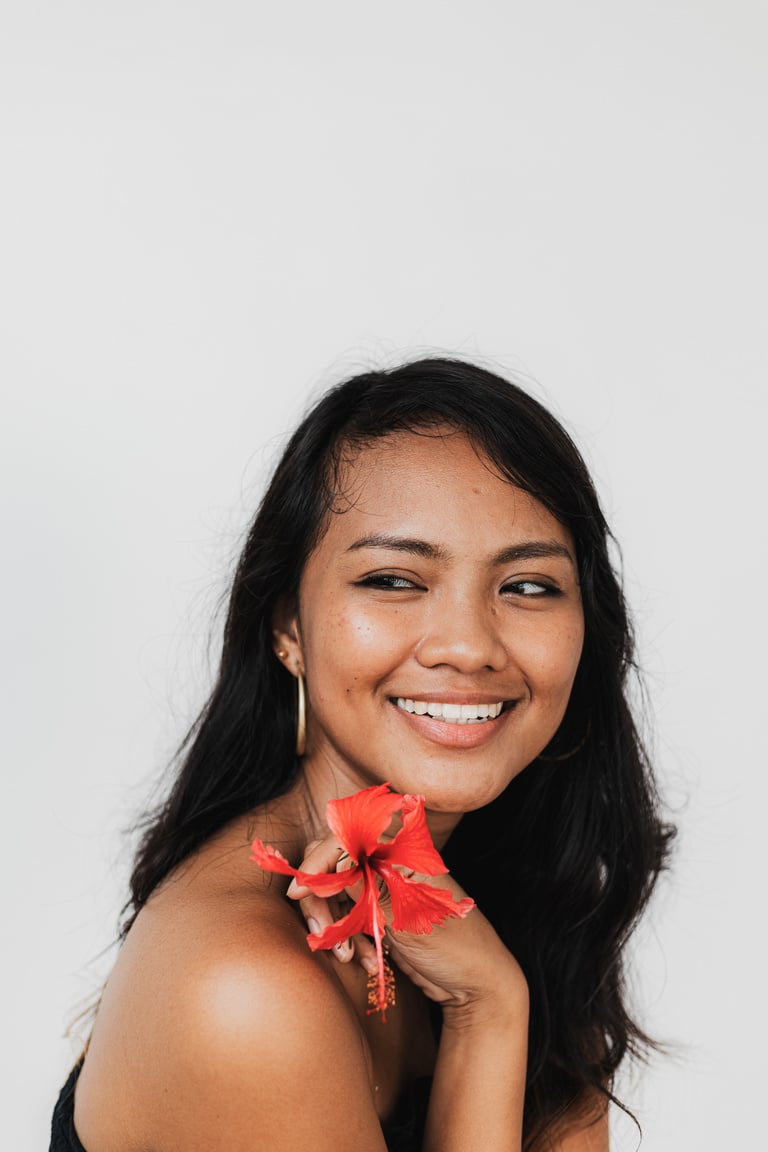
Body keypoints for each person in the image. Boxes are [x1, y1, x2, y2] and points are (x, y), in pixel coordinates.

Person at [51, 356, 674, 1152]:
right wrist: (487, 1012)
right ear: (287, 629)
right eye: (393, 579)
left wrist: (496, 997)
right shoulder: (246, 987)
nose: (469, 647)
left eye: (527, 587)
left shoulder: (519, 893)